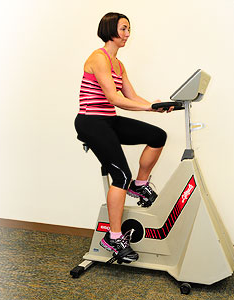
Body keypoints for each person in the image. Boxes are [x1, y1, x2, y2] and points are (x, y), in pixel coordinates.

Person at [74, 12, 173, 263]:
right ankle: (114, 237)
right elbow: (115, 99)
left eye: (129, 29)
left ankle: (139, 185)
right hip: (90, 121)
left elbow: (131, 95)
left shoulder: (119, 64)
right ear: (110, 30)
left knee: (157, 135)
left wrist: (155, 105)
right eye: (123, 29)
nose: (128, 34)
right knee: (121, 176)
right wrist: (148, 108)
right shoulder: (98, 58)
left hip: (108, 120)